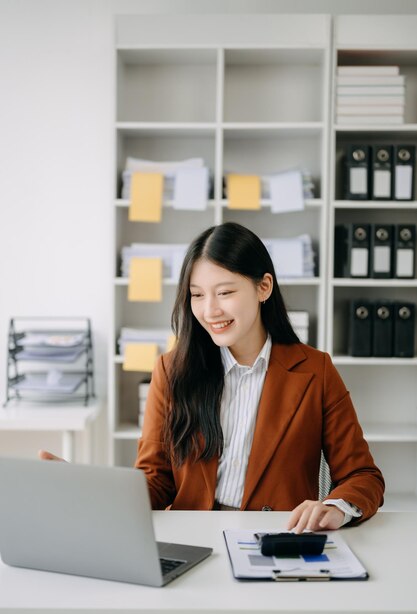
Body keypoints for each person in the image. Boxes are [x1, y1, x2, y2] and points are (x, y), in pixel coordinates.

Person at [40, 222, 384, 533]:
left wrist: (334, 507)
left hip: (278, 541)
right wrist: (89, 488)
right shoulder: (172, 371)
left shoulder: (315, 371)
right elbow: (156, 483)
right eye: (197, 295)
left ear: (263, 287)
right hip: (194, 542)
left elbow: (363, 476)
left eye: (225, 292)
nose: (209, 310)